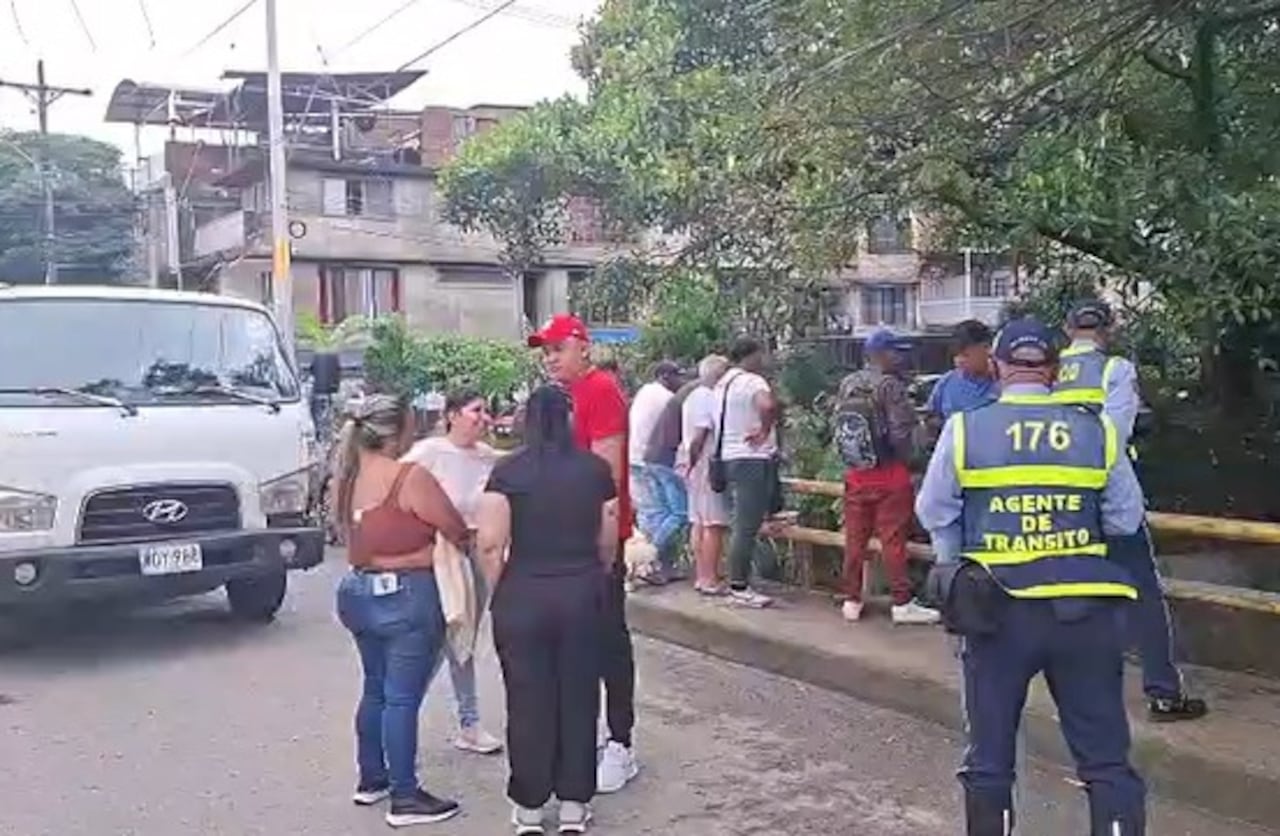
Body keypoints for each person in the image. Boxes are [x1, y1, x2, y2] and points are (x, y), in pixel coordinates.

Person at [916, 318, 1147, 835]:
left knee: (990, 759)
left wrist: (959, 572)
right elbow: (1124, 519)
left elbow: (934, 510)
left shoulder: (965, 429)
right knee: (1106, 760)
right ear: (1056, 371)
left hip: (995, 610)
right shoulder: (1098, 431)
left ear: (997, 367)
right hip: (1086, 610)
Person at [1054, 299, 1207, 722]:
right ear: (1109, 329)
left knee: (1076, 597)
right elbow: (1114, 436)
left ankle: (1082, 693)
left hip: (1064, 502)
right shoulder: (1115, 369)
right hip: (1113, 501)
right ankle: (1163, 694)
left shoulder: (1049, 372)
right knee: (1143, 596)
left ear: (1068, 329)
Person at [476, 385, 619, 834]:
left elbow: (490, 543)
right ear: (570, 419)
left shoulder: (508, 471)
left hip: (524, 593)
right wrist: (595, 573)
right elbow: (608, 536)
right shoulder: (595, 470)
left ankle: (530, 808)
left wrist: (502, 589)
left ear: (528, 421)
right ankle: (574, 803)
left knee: (527, 698)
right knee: (579, 695)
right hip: (581, 592)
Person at [330, 393, 469, 827]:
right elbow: (455, 529)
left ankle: (372, 778)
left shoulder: (346, 477)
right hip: (405, 598)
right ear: (398, 432)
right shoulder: (410, 478)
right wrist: (420, 555)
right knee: (401, 697)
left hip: (358, 592)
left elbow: (359, 546)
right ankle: (405, 796)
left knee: (375, 688)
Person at [526, 314, 639, 794]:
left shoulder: (601, 391)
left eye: (558, 348)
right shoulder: (563, 397)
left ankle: (621, 742)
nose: (550, 358)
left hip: (597, 539)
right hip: (566, 542)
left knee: (609, 639)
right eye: (545, 351)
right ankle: (590, 731)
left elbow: (606, 477)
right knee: (576, 644)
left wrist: (602, 543)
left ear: (583, 347)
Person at [402, 388, 504, 756]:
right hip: (441, 555)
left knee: (463, 638)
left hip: (477, 552)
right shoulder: (429, 453)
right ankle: (401, 712)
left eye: (485, 411)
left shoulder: (489, 458)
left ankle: (468, 724)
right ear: (452, 415)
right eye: (475, 410)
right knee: (438, 635)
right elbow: (397, 487)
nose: (483, 418)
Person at [834, 329, 940, 625]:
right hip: (890, 475)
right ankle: (901, 602)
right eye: (896, 352)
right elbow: (901, 435)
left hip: (857, 472)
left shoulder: (848, 383)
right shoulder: (890, 386)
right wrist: (921, 440)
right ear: (881, 354)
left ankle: (852, 599)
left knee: (855, 540)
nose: (901, 357)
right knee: (893, 541)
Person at [714, 336, 781, 608]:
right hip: (750, 458)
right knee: (747, 526)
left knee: (737, 523)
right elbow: (767, 405)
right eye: (760, 354)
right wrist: (765, 430)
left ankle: (738, 581)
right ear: (751, 355)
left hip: (727, 458)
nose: (763, 360)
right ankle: (739, 585)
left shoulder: (722, 383)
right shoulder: (752, 381)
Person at [678, 354, 731, 594]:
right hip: (705, 464)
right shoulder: (709, 398)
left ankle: (702, 574)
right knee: (713, 522)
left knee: (698, 521)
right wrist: (693, 461)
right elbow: (700, 435)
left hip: (694, 463)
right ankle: (709, 578)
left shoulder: (693, 396)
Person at [629, 360, 686, 582]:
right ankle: (647, 556)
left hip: (635, 458)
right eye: (677, 376)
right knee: (678, 514)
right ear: (664, 376)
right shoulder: (666, 398)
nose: (681, 381)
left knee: (651, 515)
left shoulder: (644, 392)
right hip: (656, 460)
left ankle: (657, 568)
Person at [925, 320, 999, 425]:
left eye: (965, 355)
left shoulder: (1005, 383)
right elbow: (931, 418)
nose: (959, 361)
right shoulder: (946, 383)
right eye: (955, 355)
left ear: (986, 348)